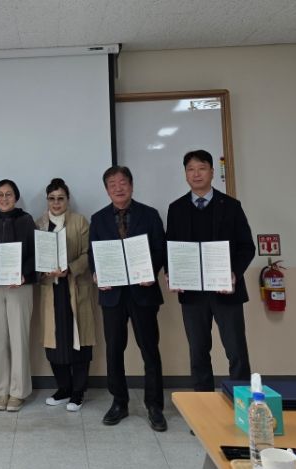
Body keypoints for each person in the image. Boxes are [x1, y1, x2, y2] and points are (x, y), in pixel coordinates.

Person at [166, 149, 255, 391]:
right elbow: (170, 247)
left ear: (212, 172)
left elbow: (247, 247)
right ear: (185, 174)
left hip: (227, 290)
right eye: (191, 169)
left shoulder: (232, 206)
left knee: (236, 351)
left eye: (202, 168)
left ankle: (241, 401)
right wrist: (171, 273)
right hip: (192, 293)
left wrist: (234, 273)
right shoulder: (176, 208)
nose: (196, 174)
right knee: (198, 352)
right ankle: (202, 404)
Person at [89, 166, 167, 432]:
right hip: (112, 294)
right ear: (107, 190)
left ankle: (154, 406)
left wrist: (151, 272)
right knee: (114, 350)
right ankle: (119, 402)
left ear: (131, 186)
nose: (118, 188)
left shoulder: (150, 214)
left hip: (143, 292)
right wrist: (97, 274)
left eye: (123, 182)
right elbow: (93, 254)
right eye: (112, 184)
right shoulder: (98, 219)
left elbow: (159, 249)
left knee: (149, 350)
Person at [36, 178, 96, 412]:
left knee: (79, 343)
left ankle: (78, 392)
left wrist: (70, 268)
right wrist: (42, 269)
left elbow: (88, 254)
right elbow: (34, 255)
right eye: (52, 198)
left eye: (60, 198)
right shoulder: (39, 224)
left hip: (74, 287)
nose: (56, 202)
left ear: (67, 200)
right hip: (51, 290)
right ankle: (64, 389)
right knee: (54, 343)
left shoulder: (79, 221)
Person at [0, 179, 35, 412]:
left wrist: (24, 275)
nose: (4, 198)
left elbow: (34, 253)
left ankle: (18, 392)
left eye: (8, 194)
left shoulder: (26, 220)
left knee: (19, 339)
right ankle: (0, 391)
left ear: (16, 197)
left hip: (19, 287)